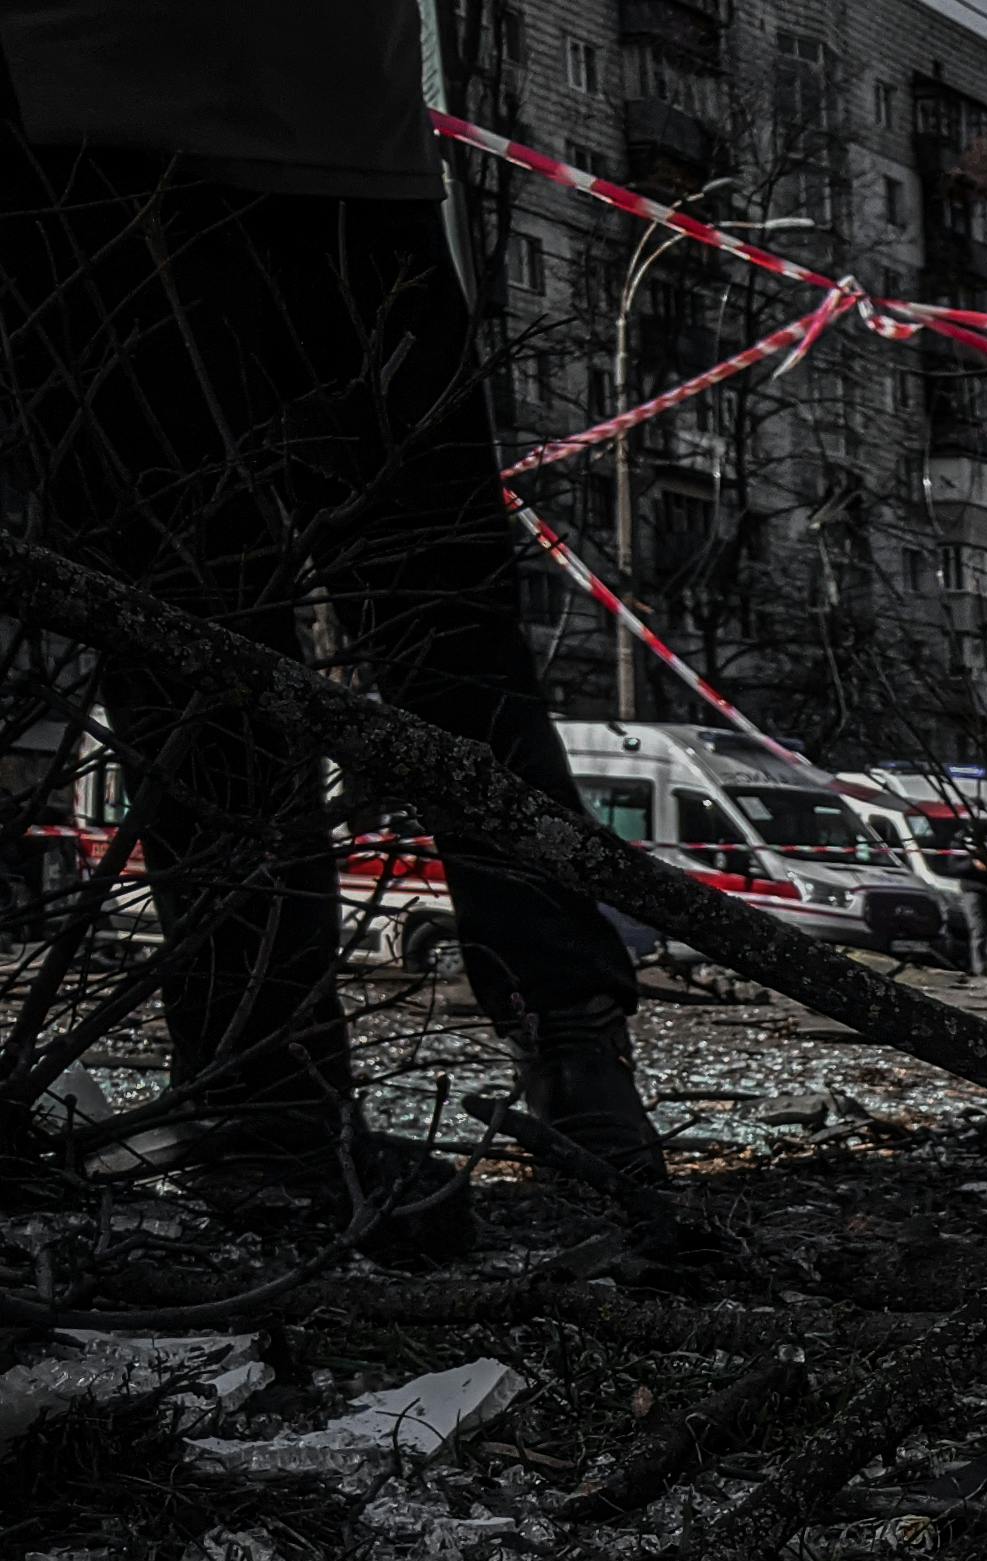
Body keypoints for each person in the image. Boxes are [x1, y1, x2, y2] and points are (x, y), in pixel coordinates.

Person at [0, 1, 674, 1255]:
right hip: (297, 140)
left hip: (112, 136)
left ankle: (281, 1120)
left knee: (218, 651)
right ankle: (554, 1059)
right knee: (422, 631)